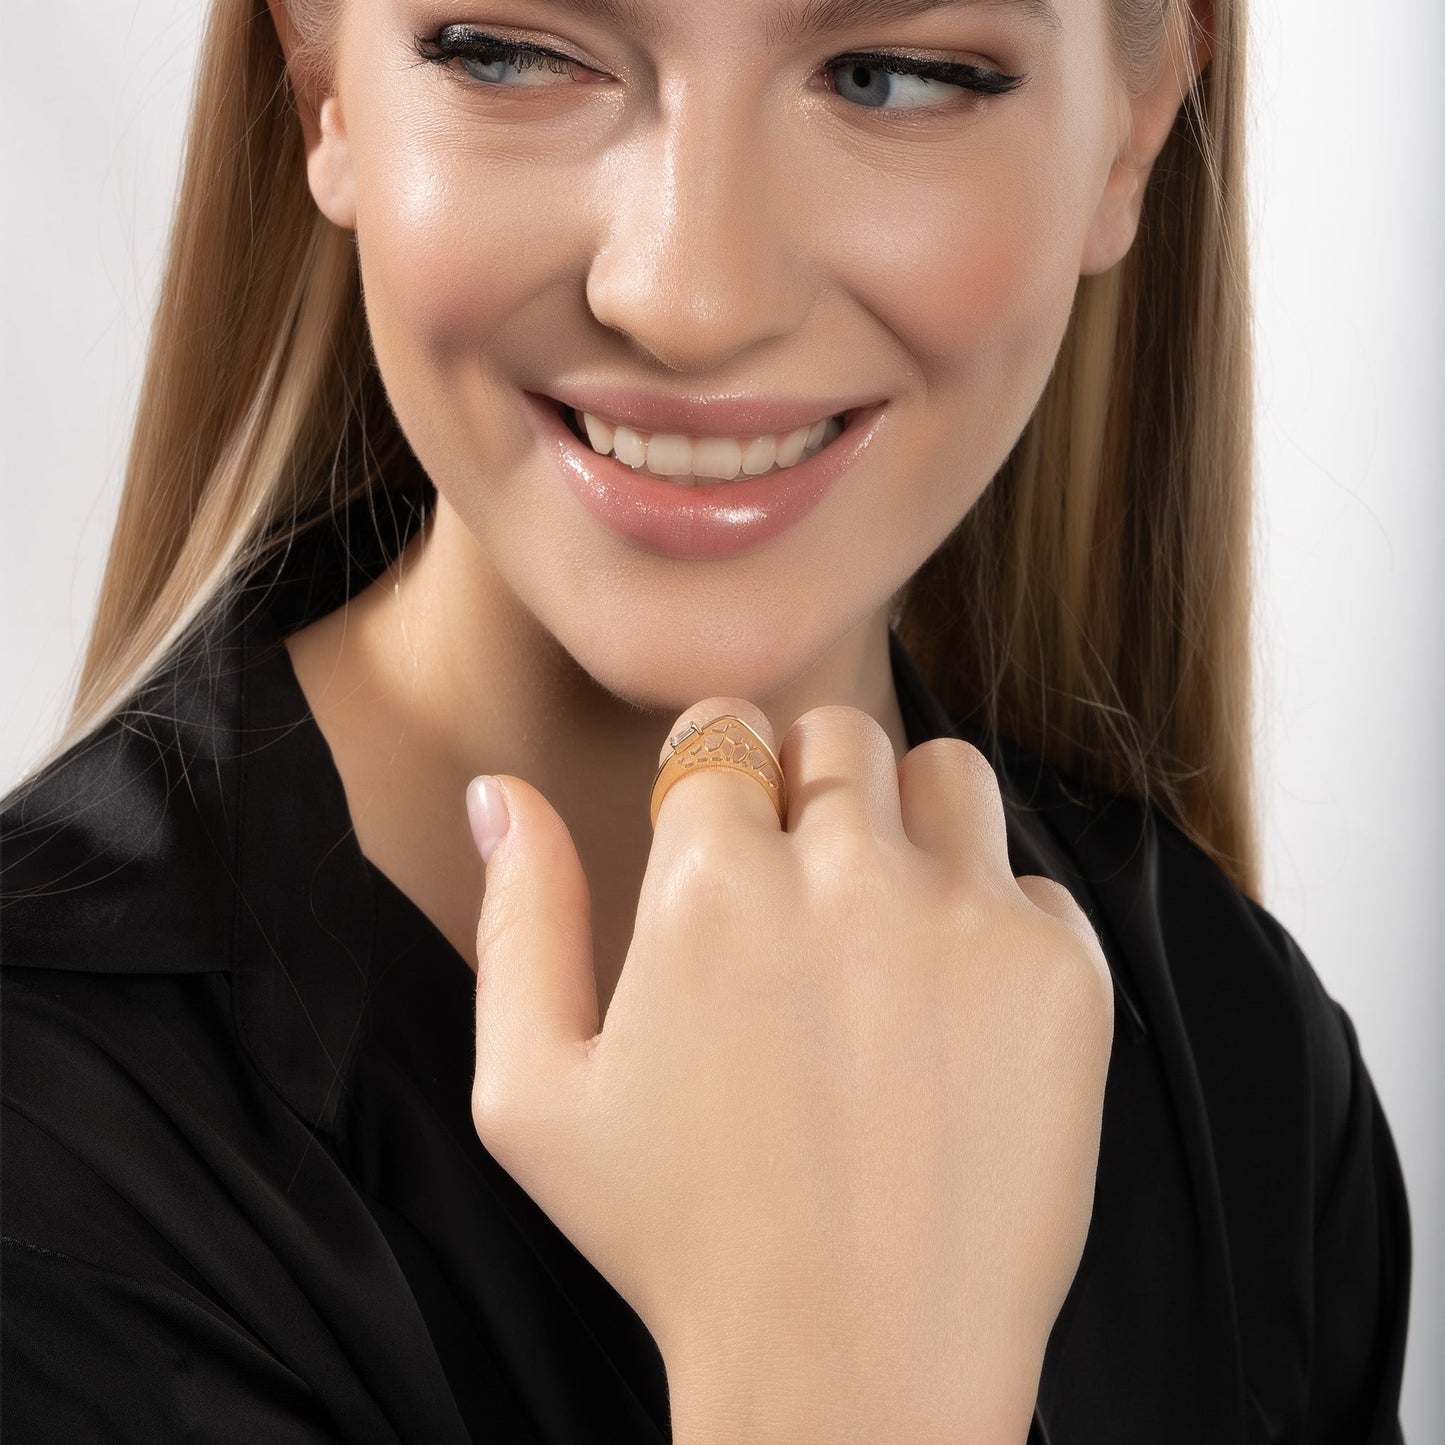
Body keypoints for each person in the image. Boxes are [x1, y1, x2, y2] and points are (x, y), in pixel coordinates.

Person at [0, 0, 1412, 1439]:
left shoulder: (1251, 1074)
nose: (689, 294)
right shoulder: (38, 1154)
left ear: (1130, 131)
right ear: (324, 88)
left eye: (895, 75)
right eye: (508, 51)